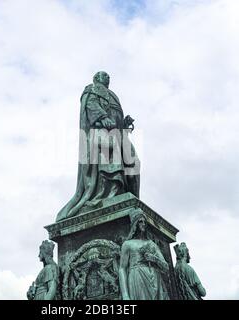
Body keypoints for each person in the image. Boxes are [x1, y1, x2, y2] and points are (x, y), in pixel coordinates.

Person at [56, 71, 140, 222]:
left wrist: (124, 123)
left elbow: (116, 117)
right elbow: (91, 106)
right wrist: (103, 117)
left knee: (133, 160)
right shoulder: (91, 89)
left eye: (108, 75)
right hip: (101, 131)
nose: (107, 77)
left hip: (118, 132)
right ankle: (106, 194)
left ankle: (132, 197)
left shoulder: (113, 95)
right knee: (111, 152)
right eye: (103, 75)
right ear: (96, 78)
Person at [119, 209, 169, 300]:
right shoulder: (127, 244)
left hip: (154, 278)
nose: (143, 224)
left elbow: (166, 267)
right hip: (137, 277)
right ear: (135, 224)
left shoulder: (151, 244)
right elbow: (122, 268)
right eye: (140, 222)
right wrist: (125, 294)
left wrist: (155, 259)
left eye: (144, 222)